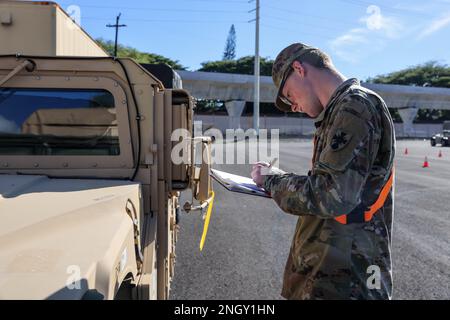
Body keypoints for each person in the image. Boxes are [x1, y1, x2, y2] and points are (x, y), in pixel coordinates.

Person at [251, 43, 396, 300]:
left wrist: (273, 180)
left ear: (299, 69)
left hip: (349, 280)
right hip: (331, 274)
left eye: (287, 94)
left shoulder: (355, 107)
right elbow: (330, 184)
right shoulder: (338, 111)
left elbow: (331, 195)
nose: (292, 106)